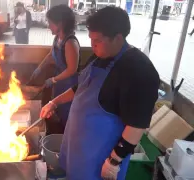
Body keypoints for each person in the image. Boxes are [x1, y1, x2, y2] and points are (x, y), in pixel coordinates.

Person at [40, 6, 160, 179]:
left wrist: (114, 161)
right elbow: (80, 87)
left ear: (118, 38)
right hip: (77, 148)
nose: (92, 45)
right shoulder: (98, 56)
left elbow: (136, 124)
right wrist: (54, 102)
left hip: (99, 157)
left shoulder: (139, 70)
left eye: (97, 41)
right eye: (91, 39)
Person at [29, 4, 80, 134]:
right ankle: (58, 135)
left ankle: (65, 138)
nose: (48, 26)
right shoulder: (57, 38)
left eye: (51, 23)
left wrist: (53, 79)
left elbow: (72, 69)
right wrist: (39, 69)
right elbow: (51, 55)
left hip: (69, 85)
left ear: (60, 24)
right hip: (59, 83)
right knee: (57, 109)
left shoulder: (70, 42)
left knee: (67, 114)